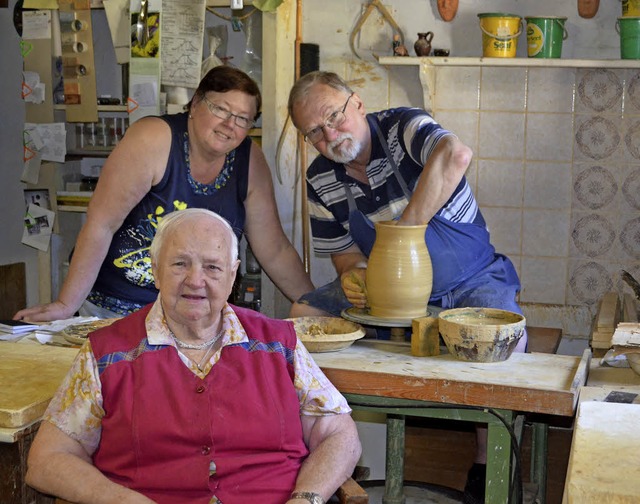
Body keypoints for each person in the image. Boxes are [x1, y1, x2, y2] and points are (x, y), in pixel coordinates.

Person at [287, 71, 526, 504]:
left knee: (497, 346)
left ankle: (487, 463)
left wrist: (406, 231)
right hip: (389, 287)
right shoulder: (320, 178)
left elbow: (455, 153)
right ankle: (328, 453)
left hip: (470, 279)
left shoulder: (402, 127)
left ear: (356, 103)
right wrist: (355, 279)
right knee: (300, 321)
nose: (329, 134)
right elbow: (345, 258)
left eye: (334, 116)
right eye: (314, 132)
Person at [25, 208, 361, 504]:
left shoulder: (279, 344)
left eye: (213, 267)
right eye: (180, 264)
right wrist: (120, 499)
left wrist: (307, 499)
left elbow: (339, 435)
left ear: (233, 274)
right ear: (155, 270)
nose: (195, 280)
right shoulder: (107, 354)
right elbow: (47, 460)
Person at [15, 65, 313, 322]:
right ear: (195, 104)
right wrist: (66, 305)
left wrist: (316, 307)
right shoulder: (154, 139)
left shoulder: (250, 161)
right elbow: (101, 224)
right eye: (220, 109)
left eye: (242, 118)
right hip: (117, 312)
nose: (229, 125)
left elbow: (274, 250)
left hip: (197, 317)